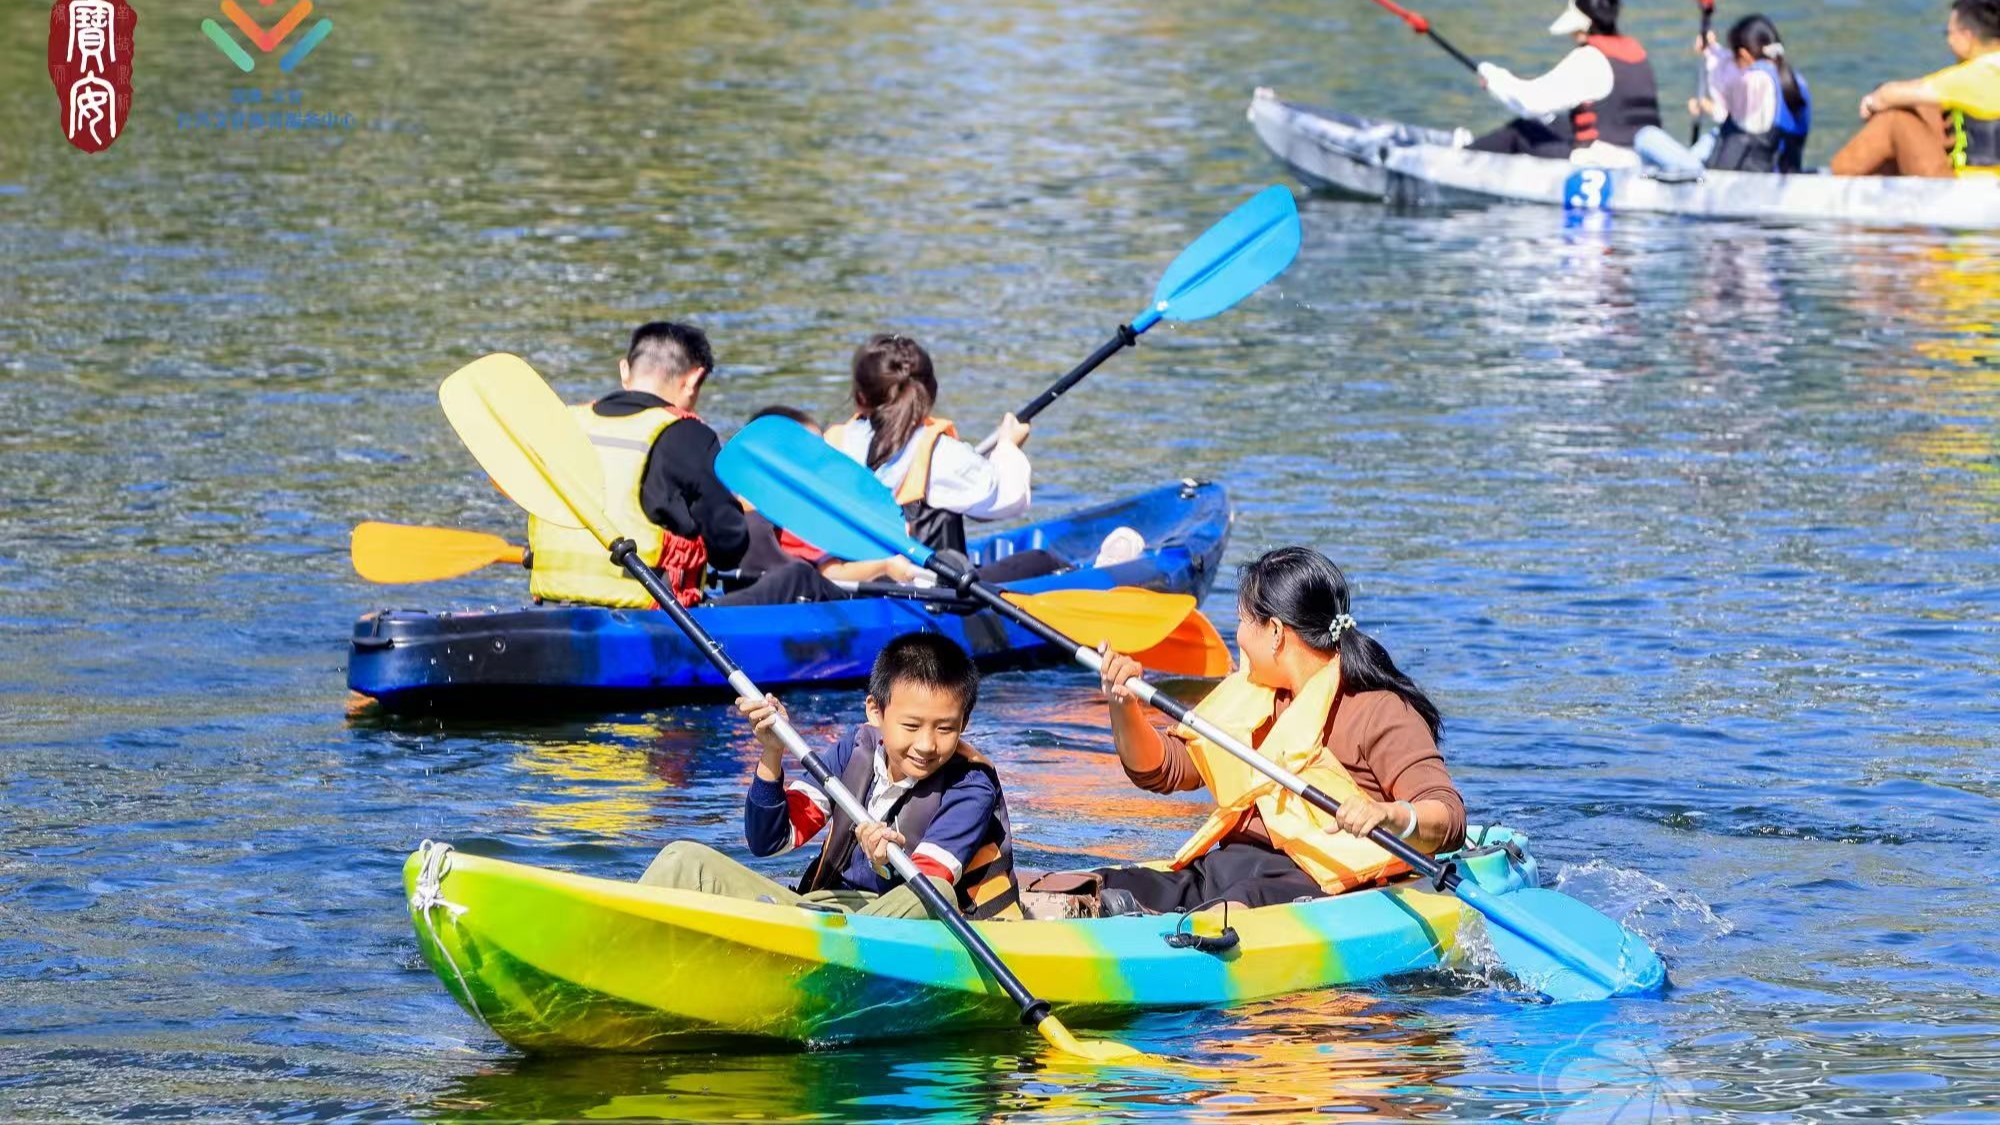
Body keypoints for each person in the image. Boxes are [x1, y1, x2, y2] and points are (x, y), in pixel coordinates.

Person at [1090, 548, 1466, 913]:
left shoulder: (1378, 710)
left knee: (1234, 905)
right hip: (1227, 872)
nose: (1236, 636)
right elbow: (1161, 770)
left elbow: (1448, 817)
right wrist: (1123, 704)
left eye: (1241, 621)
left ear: (1275, 632)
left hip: (1321, 883)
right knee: (1101, 885)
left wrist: (1390, 815)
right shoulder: (1250, 697)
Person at [639, 633, 1022, 920]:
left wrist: (882, 862)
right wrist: (772, 753)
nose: (926, 744)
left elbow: (931, 884)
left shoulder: (971, 786)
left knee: (932, 892)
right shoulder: (852, 753)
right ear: (876, 712)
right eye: (911, 725)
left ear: (964, 724)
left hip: (906, 928)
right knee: (682, 859)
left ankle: (812, 972)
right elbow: (769, 842)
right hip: (828, 912)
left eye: (944, 729)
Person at [527, 321, 748, 609]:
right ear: (694, 379)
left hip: (558, 605)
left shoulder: (566, 423)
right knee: (800, 579)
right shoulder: (689, 434)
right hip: (653, 615)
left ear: (624, 371)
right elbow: (728, 547)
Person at [824, 334, 1069, 583]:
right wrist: (1008, 447)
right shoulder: (940, 454)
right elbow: (1007, 501)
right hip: (930, 595)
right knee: (1045, 561)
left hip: (850, 584)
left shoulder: (831, 444)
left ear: (860, 397)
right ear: (930, 394)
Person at [719, 405, 934, 606]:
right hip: (798, 607)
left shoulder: (736, 510)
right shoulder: (798, 515)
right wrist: (886, 565)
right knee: (806, 574)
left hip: (753, 600)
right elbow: (832, 574)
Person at [1469, 0, 1665, 166]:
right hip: (1642, 159)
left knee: (1521, 129)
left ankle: (1462, 156)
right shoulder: (1637, 53)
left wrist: (1495, 79)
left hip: (1600, 161)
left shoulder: (1588, 59)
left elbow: (1530, 103)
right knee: (1554, 121)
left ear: (1583, 26)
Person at [1828, 0, 2000, 177]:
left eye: (1948, 33)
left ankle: (1835, 180)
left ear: (1967, 37)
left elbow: (1889, 95)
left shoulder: (1974, 75)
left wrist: (1872, 102)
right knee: (1926, 108)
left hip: (1972, 191)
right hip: (1988, 189)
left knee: (1895, 119)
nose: (1948, 41)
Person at [1694, 14, 1813, 173]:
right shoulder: (1795, 79)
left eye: (1735, 57)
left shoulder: (1756, 82)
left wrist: (1710, 53)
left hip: (1745, 181)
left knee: (1649, 137)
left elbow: (1721, 101)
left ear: (1744, 54)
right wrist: (1712, 49)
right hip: (1786, 172)